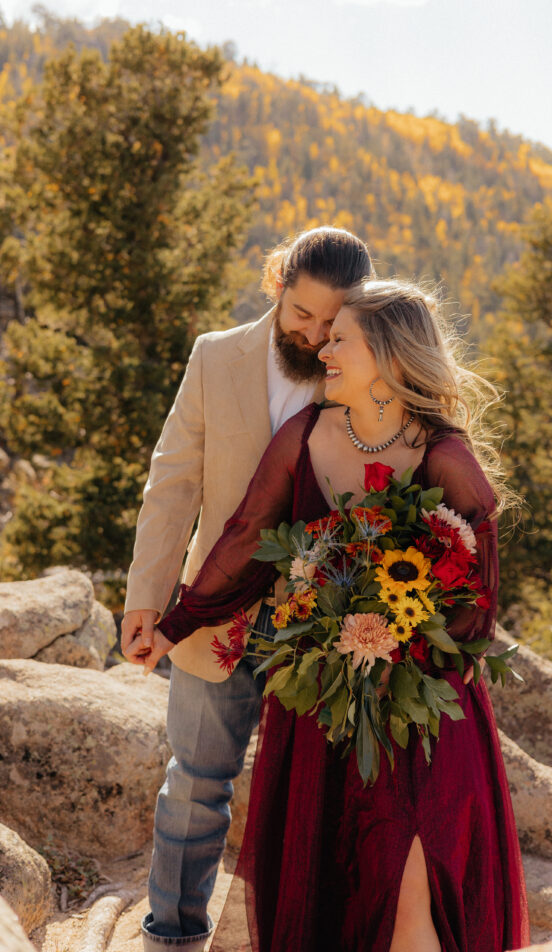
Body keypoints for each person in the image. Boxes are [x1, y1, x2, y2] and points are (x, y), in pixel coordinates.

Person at [132, 279, 530, 952]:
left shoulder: (444, 456)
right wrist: (173, 626)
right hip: (319, 706)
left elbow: (475, 602)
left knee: (411, 888)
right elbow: (249, 545)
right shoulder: (303, 435)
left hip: (417, 714)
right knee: (327, 888)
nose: (324, 350)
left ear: (385, 351)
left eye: (340, 338)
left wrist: (391, 643)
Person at [121, 226, 375, 952]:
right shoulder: (214, 355)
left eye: (334, 322)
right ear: (276, 284)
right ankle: (170, 937)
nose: (317, 335)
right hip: (209, 617)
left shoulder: (363, 365)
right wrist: (147, 598)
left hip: (322, 632)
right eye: (302, 314)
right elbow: (173, 483)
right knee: (196, 785)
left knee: (319, 802)